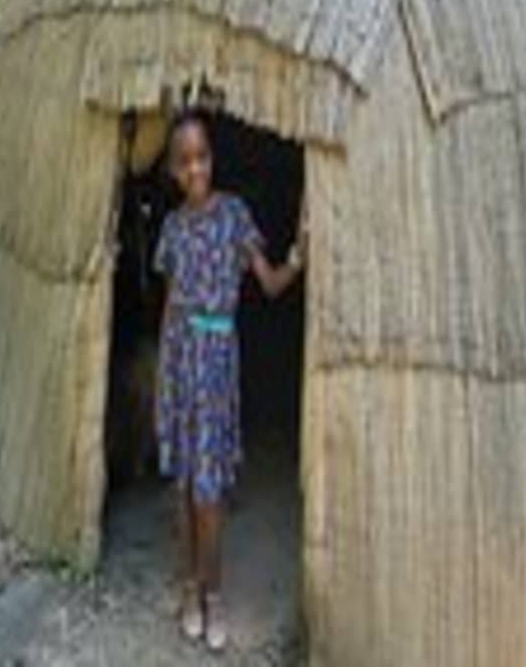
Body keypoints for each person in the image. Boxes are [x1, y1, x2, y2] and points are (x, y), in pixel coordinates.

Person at [152, 109, 306, 651]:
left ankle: (214, 594)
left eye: (202, 156)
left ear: (211, 159)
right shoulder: (172, 229)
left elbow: (269, 283)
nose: (195, 168)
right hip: (179, 361)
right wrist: (162, 378)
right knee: (183, 484)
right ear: (173, 170)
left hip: (217, 362)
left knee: (210, 489)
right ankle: (189, 588)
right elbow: (170, 306)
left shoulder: (234, 214)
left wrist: (298, 256)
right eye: (184, 160)